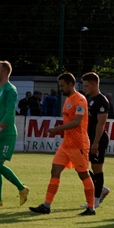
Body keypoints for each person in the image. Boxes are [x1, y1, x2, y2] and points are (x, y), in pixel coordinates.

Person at [28, 73, 97, 216]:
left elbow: (77, 122)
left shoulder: (80, 100)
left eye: (62, 85)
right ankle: (46, 205)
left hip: (79, 145)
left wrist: (56, 129)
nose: (60, 88)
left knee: (83, 175)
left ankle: (91, 208)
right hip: (67, 144)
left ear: (70, 84)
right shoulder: (68, 100)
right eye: (59, 86)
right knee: (55, 170)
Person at [0, 61, 29, 207]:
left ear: (4, 73)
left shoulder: (10, 90)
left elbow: (10, 114)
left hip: (6, 134)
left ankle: (22, 188)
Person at [81, 72, 112, 208]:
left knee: (96, 168)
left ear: (94, 84)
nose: (85, 88)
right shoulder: (88, 98)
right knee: (80, 167)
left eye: (87, 85)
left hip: (97, 139)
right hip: (87, 138)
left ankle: (96, 199)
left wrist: (95, 143)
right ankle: (102, 189)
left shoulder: (102, 101)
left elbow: (101, 124)